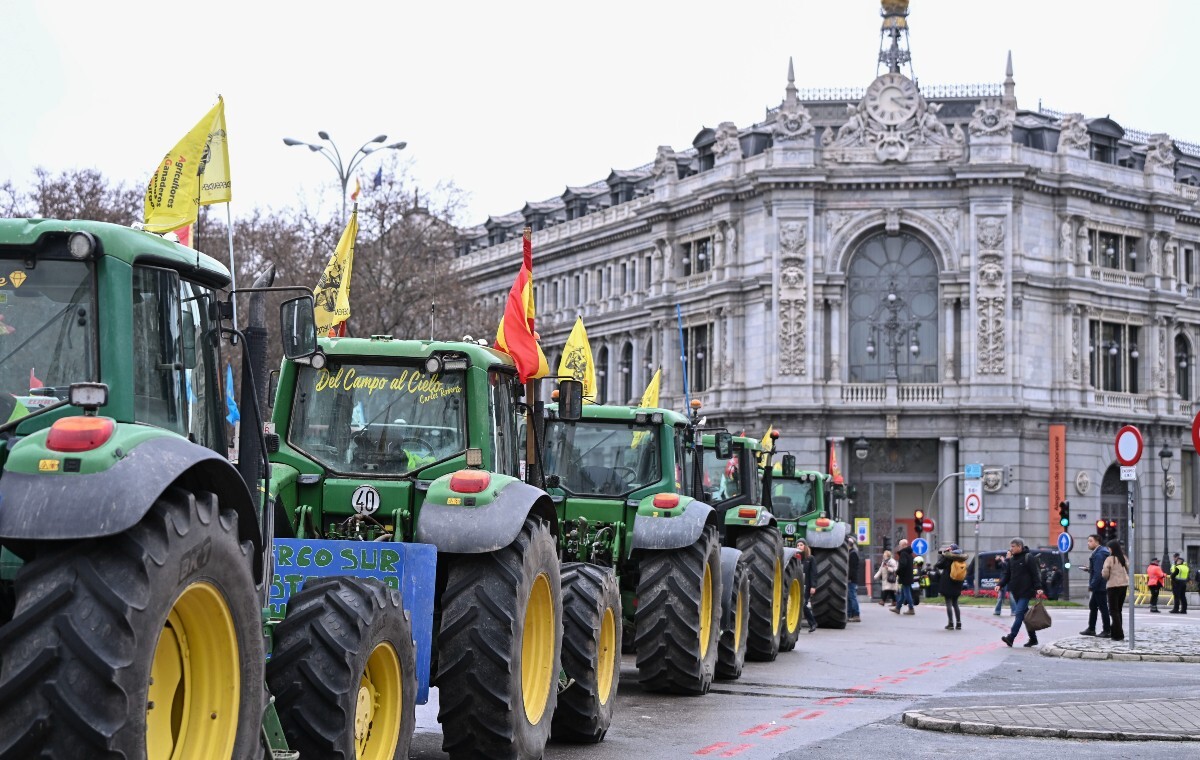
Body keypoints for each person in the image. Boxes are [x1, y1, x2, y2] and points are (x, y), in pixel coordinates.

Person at [999, 537, 1045, 647]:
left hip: (1026, 591)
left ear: (1020, 546)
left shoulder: (1028, 557)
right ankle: (1033, 639)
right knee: (1025, 617)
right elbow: (1007, 575)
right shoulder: (1012, 560)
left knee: (1019, 613)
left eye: (1013, 547)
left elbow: (1035, 574)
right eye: (1011, 547)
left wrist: (1038, 587)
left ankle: (1011, 637)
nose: (1011, 549)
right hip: (1016, 592)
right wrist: (1000, 584)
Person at [1080, 534, 1112, 637]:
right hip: (1101, 584)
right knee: (1093, 605)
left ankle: (1107, 630)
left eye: (1090, 541)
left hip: (1100, 586)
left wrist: (1092, 585)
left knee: (1103, 608)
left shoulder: (1099, 554)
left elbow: (1099, 573)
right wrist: (1089, 569)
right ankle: (1091, 628)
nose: (1088, 543)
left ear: (1097, 542)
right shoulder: (1101, 552)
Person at [1102, 539, 1130, 641]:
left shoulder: (1110, 559)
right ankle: (1116, 631)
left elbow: (1105, 574)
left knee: (1113, 610)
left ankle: (1118, 634)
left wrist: (1104, 574)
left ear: (1112, 548)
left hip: (1113, 586)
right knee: (1119, 610)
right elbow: (1128, 569)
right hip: (1124, 585)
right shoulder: (1123, 558)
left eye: (1109, 548)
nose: (1108, 550)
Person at [935, 543, 968, 630]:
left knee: (949, 603)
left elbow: (938, 565)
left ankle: (950, 623)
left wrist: (944, 554)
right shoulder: (961, 558)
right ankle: (959, 623)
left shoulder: (948, 558)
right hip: (958, 583)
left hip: (948, 583)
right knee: (955, 603)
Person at [796, 540, 819, 632]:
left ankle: (812, 623)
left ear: (805, 546)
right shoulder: (796, 558)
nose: (799, 546)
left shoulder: (810, 559)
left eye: (801, 545)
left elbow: (814, 573)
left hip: (806, 586)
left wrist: (813, 586)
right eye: (797, 545)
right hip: (797, 585)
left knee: (803, 604)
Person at [891, 538, 916, 615]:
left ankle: (911, 608)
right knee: (902, 593)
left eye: (900, 545)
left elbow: (903, 565)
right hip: (908, 576)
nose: (899, 546)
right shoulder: (909, 554)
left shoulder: (903, 554)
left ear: (904, 545)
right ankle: (898, 608)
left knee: (907, 593)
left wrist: (897, 572)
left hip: (905, 576)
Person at [846, 538, 862, 623]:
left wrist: (849, 578)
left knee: (852, 596)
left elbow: (852, 568)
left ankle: (856, 614)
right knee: (849, 597)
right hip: (851, 578)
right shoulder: (852, 553)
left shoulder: (852, 554)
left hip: (851, 579)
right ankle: (850, 614)